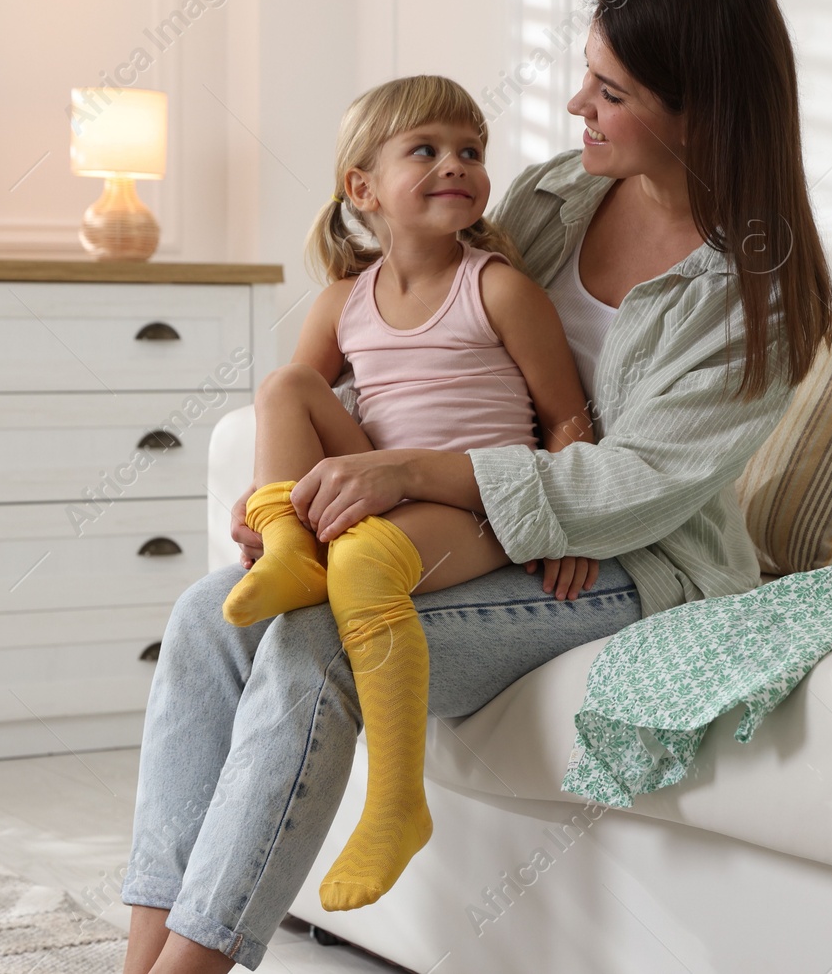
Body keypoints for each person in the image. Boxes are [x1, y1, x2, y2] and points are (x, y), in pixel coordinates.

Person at [121, 0, 832, 974]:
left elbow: (625, 486)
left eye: (610, 90)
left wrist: (411, 477)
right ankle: (136, 956)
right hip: (481, 524)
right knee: (203, 615)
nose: (573, 107)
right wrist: (311, 482)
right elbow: (417, 350)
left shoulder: (752, 293)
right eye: (586, 74)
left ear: (699, 110)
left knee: (314, 645)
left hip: (636, 564)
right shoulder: (550, 200)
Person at [222, 73, 597, 912]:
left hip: (481, 505)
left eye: (470, 150)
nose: (455, 164)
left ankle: (396, 804)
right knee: (285, 385)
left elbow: (569, 419)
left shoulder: (496, 286)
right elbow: (301, 417)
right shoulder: (344, 302)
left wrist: (576, 522)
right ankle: (289, 549)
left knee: (361, 566)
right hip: (383, 486)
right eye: (424, 149)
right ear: (363, 188)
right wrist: (263, 503)